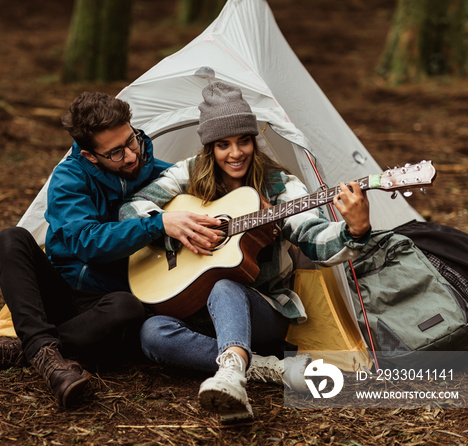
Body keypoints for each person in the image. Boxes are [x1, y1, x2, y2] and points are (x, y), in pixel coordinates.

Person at [119, 81, 372, 422]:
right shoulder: (189, 172)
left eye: (243, 141)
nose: (235, 153)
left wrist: (354, 230)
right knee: (152, 333)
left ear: (254, 140)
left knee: (224, 286)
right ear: (210, 147)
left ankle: (233, 378)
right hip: (198, 312)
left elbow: (312, 237)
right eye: (223, 145)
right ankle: (266, 368)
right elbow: (131, 208)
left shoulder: (280, 185)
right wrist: (169, 225)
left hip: (264, 310)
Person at [0, 92, 220, 408]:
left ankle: (28, 349)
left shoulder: (160, 174)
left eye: (132, 140)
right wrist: (159, 224)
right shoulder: (69, 178)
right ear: (89, 156)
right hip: (63, 293)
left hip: (112, 305)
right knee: (10, 239)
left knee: (128, 308)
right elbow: (86, 241)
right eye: (115, 152)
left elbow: (214, 190)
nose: (130, 156)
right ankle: (48, 358)